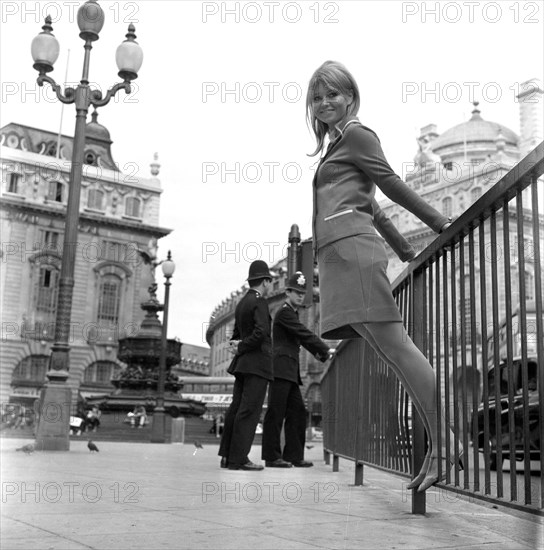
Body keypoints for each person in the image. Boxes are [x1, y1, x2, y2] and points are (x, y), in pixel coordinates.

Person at [306, 60, 463, 492]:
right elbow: (373, 206)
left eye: (333, 94)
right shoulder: (334, 148)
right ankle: (445, 443)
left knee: (399, 348)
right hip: (337, 258)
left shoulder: (357, 134)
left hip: (353, 255)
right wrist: (406, 249)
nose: (324, 103)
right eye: (317, 97)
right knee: (394, 355)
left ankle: (446, 448)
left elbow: (390, 183)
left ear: (351, 96)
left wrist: (438, 222)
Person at [262, 271, 331, 468]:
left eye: (302, 293)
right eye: (297, 292)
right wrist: (324, 348)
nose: (300, 296)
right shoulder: (284, 312)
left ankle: (293, 455)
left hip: (289, 370)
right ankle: (271, 456)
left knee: (298, 412)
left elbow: (300, 337)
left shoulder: (291, 313)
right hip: (281, 369)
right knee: (276, 413)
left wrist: (321, 354)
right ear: (288, 292)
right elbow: (303, 333)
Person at [218, 260, 274, 471]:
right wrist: (242, 346)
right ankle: (239, 458)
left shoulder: (242, 303)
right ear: (265, 281)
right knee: (249, 411)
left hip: (241, 365)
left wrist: (238, 345)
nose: (270, 285)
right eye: (270, 281)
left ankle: (227, 456)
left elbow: (236, 335)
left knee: (235, 409)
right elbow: (261, 333)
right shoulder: (260, 302)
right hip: (257, 364)